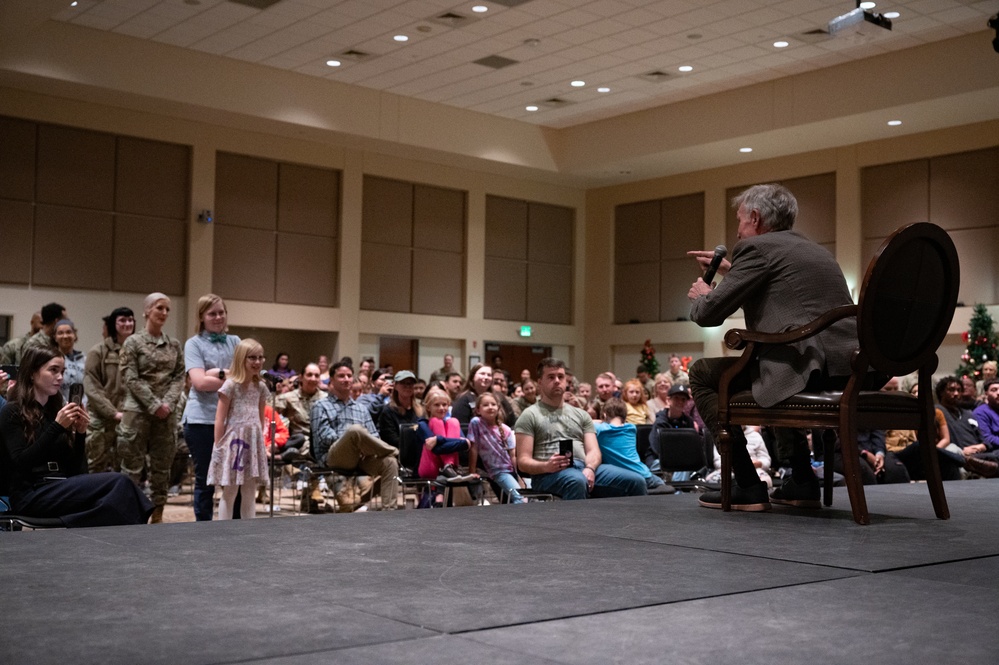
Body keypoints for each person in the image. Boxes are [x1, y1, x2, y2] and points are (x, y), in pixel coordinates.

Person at [686, 184, 867, 512]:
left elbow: (709, 315)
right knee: (772, 363)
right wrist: (733, 272)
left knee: (703, 373)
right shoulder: (815, 249)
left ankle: (745, 483)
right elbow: (781, 285)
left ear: (755, 218)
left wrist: (702, 293)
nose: (738, 231)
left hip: (806, 366)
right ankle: (801, 480)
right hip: (847, 368)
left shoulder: (756, 248)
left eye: (740, 220)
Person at [1, 347, 153, 527]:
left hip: (59, 486)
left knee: (113, 500)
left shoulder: (54, 411)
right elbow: (21, 462)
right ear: (33, 373)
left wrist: (80, 434)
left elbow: (77, 473)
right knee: (120, 482)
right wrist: (57, 427)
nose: (60, 377)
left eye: (62, 371)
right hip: (31, 493)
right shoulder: (12, 411)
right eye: (53, 370)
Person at [515, 358, 646, 500]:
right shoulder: (530, 415)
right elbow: (523, 462)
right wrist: (546, 466)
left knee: (636, 481)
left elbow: (594, 451)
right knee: (576, 481)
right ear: (540, 383)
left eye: (561, 376)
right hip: (547, 474)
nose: (557, 381)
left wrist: (590, 468)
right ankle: (578, 523)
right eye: (551, 377)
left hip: (583, 467)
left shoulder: (581, 414)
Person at [117, 292, 186, 524]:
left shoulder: (174, 344)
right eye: (159, 308)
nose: (164, 313)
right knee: (131, 468)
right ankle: (130, 514)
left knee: (162, 467)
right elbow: (130, 377)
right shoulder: (133, 342)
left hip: (166, 414)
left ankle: (158, 514)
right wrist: (154, 404)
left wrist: (167, 403)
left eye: (167, 309)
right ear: (146, 311)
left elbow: (179, 377)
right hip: (137, 412)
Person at [311, 361, 400, 511]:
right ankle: (395, 451)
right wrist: (354, 441)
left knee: (390, 462)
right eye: (341, 376)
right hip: (334, 457)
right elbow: (323, 437)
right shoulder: (320, 406)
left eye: (349, 376)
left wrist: (364, 444)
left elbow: (374, 436)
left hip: (361, 459)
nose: (346, 379)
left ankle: (389, 512)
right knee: (355, 431)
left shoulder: (361, 409)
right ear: (331, 380)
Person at [182, 294, 240, 522]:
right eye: (212, 313)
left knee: (235, 478)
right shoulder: (193, 344)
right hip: (201, 420)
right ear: (202, 317)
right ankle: (204, 528)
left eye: (221, 312)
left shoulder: (236, 342)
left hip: (232, 420)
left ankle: (236, 526)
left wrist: (217, 374)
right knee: (205, 478)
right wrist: (230, 377)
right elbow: (199, 383)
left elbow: (245, 378)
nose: (218, 317)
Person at [208, 339, 269, 520]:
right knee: (231, 490)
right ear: (241, 359)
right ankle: (225, 530)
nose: (257, 362)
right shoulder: (230, 385)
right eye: (252, 358)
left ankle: (248, 531)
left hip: (253, 441)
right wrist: (219, 445)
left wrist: (260, 443)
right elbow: (219, 419)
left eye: (260, 358)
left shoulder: (261, 387)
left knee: (250, 491)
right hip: (234, 442)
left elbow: (260, 418)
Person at [83, 307, 135, 473]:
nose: (127, 324)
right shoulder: (98, 351)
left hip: (129, 419)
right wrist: (113, 413)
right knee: (95, 466)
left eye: (130, 320)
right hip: (101, 420)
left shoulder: (137, 351)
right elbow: (92, 387)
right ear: (114, 324)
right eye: (122, 320)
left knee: (126, 468)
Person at [595, 398, 672, 494]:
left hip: (628, 477)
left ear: (605, 415)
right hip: (645, 474)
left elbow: (588, 422)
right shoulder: (631, 428)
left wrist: (601, 420)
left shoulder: (600, 429)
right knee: (662, 485)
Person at [467, 391, 525, 504]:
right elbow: (473, 448)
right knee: (519, 498)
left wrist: (519, 476)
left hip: (509, 469)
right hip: (498, 471)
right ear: (478, 410)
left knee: (524, 497)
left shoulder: (505, 429)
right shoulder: (476, 423)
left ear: (498, 408)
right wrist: (472, 471)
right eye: (485, 405)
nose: (490, 407)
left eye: (493, 404)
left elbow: (513, 455)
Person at [452, 363, 517, 427]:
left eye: (489, 375)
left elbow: (512, 421)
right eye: (482, 374)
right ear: (472, 377)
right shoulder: (463, 398)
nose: (486, 377)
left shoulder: (499, 396)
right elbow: (461, 426)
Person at [377, 370, 424, 450]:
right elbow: (391, 439)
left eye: (410, 383)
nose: (407, 386)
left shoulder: (421, 410)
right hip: (396, 451)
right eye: (403, 383)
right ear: (395, 386)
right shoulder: (388, 411)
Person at [54, 319, 85, 404]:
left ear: (74, 335)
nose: (65, 336)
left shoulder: (85, 360)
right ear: (55, 337)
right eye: (60, 333)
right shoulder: (51, 360)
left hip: (83, 409)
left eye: (68, 332)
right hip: (59, 408)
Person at [973, 379, 999, 453]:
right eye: (994, 390)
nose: (998, 393)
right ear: (986, 393)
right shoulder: (980, 412)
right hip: (994, 450)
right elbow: (987, 437)